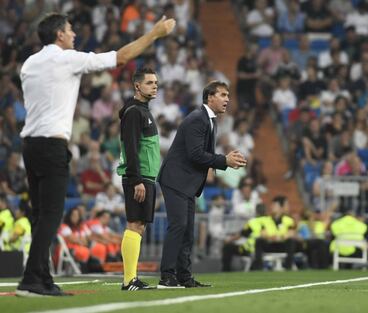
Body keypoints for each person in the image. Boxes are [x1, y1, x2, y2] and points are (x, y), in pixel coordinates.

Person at [17, 12, 175, 297]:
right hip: (52, 144)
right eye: (69, 29)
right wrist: (154, 34)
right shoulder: (67, 58)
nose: (74, 34)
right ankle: (32, 278)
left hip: (29, 144)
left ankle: (40, 277)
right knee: (51, 216)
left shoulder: (29, 63)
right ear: (59, 35)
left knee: (40, 215)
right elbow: (121, 57)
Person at [157, 81, 247, 288]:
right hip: (176, 180)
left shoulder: (209, 120)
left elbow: (198, 155)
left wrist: (218, 164)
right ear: (209, 97)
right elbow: (195, 154)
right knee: (179, 226)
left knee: (187, 231)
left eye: (228, 95)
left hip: (186, 183)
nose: (227, 99)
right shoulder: (198, 119)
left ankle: (184, 277)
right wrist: (224, 160)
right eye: (223, 95)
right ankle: (167, 276)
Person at [116, 67, 161, 290]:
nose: (155, 86)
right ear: (137, 86)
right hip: (139, 177)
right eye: (150, 82)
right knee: (134, 223)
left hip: (146, 176)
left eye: (156, 83)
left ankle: (131, 278)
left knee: (139, 226)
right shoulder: (134, 112)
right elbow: (131, 148)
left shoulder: (142, 110)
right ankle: (128, 280)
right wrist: (136, 180)